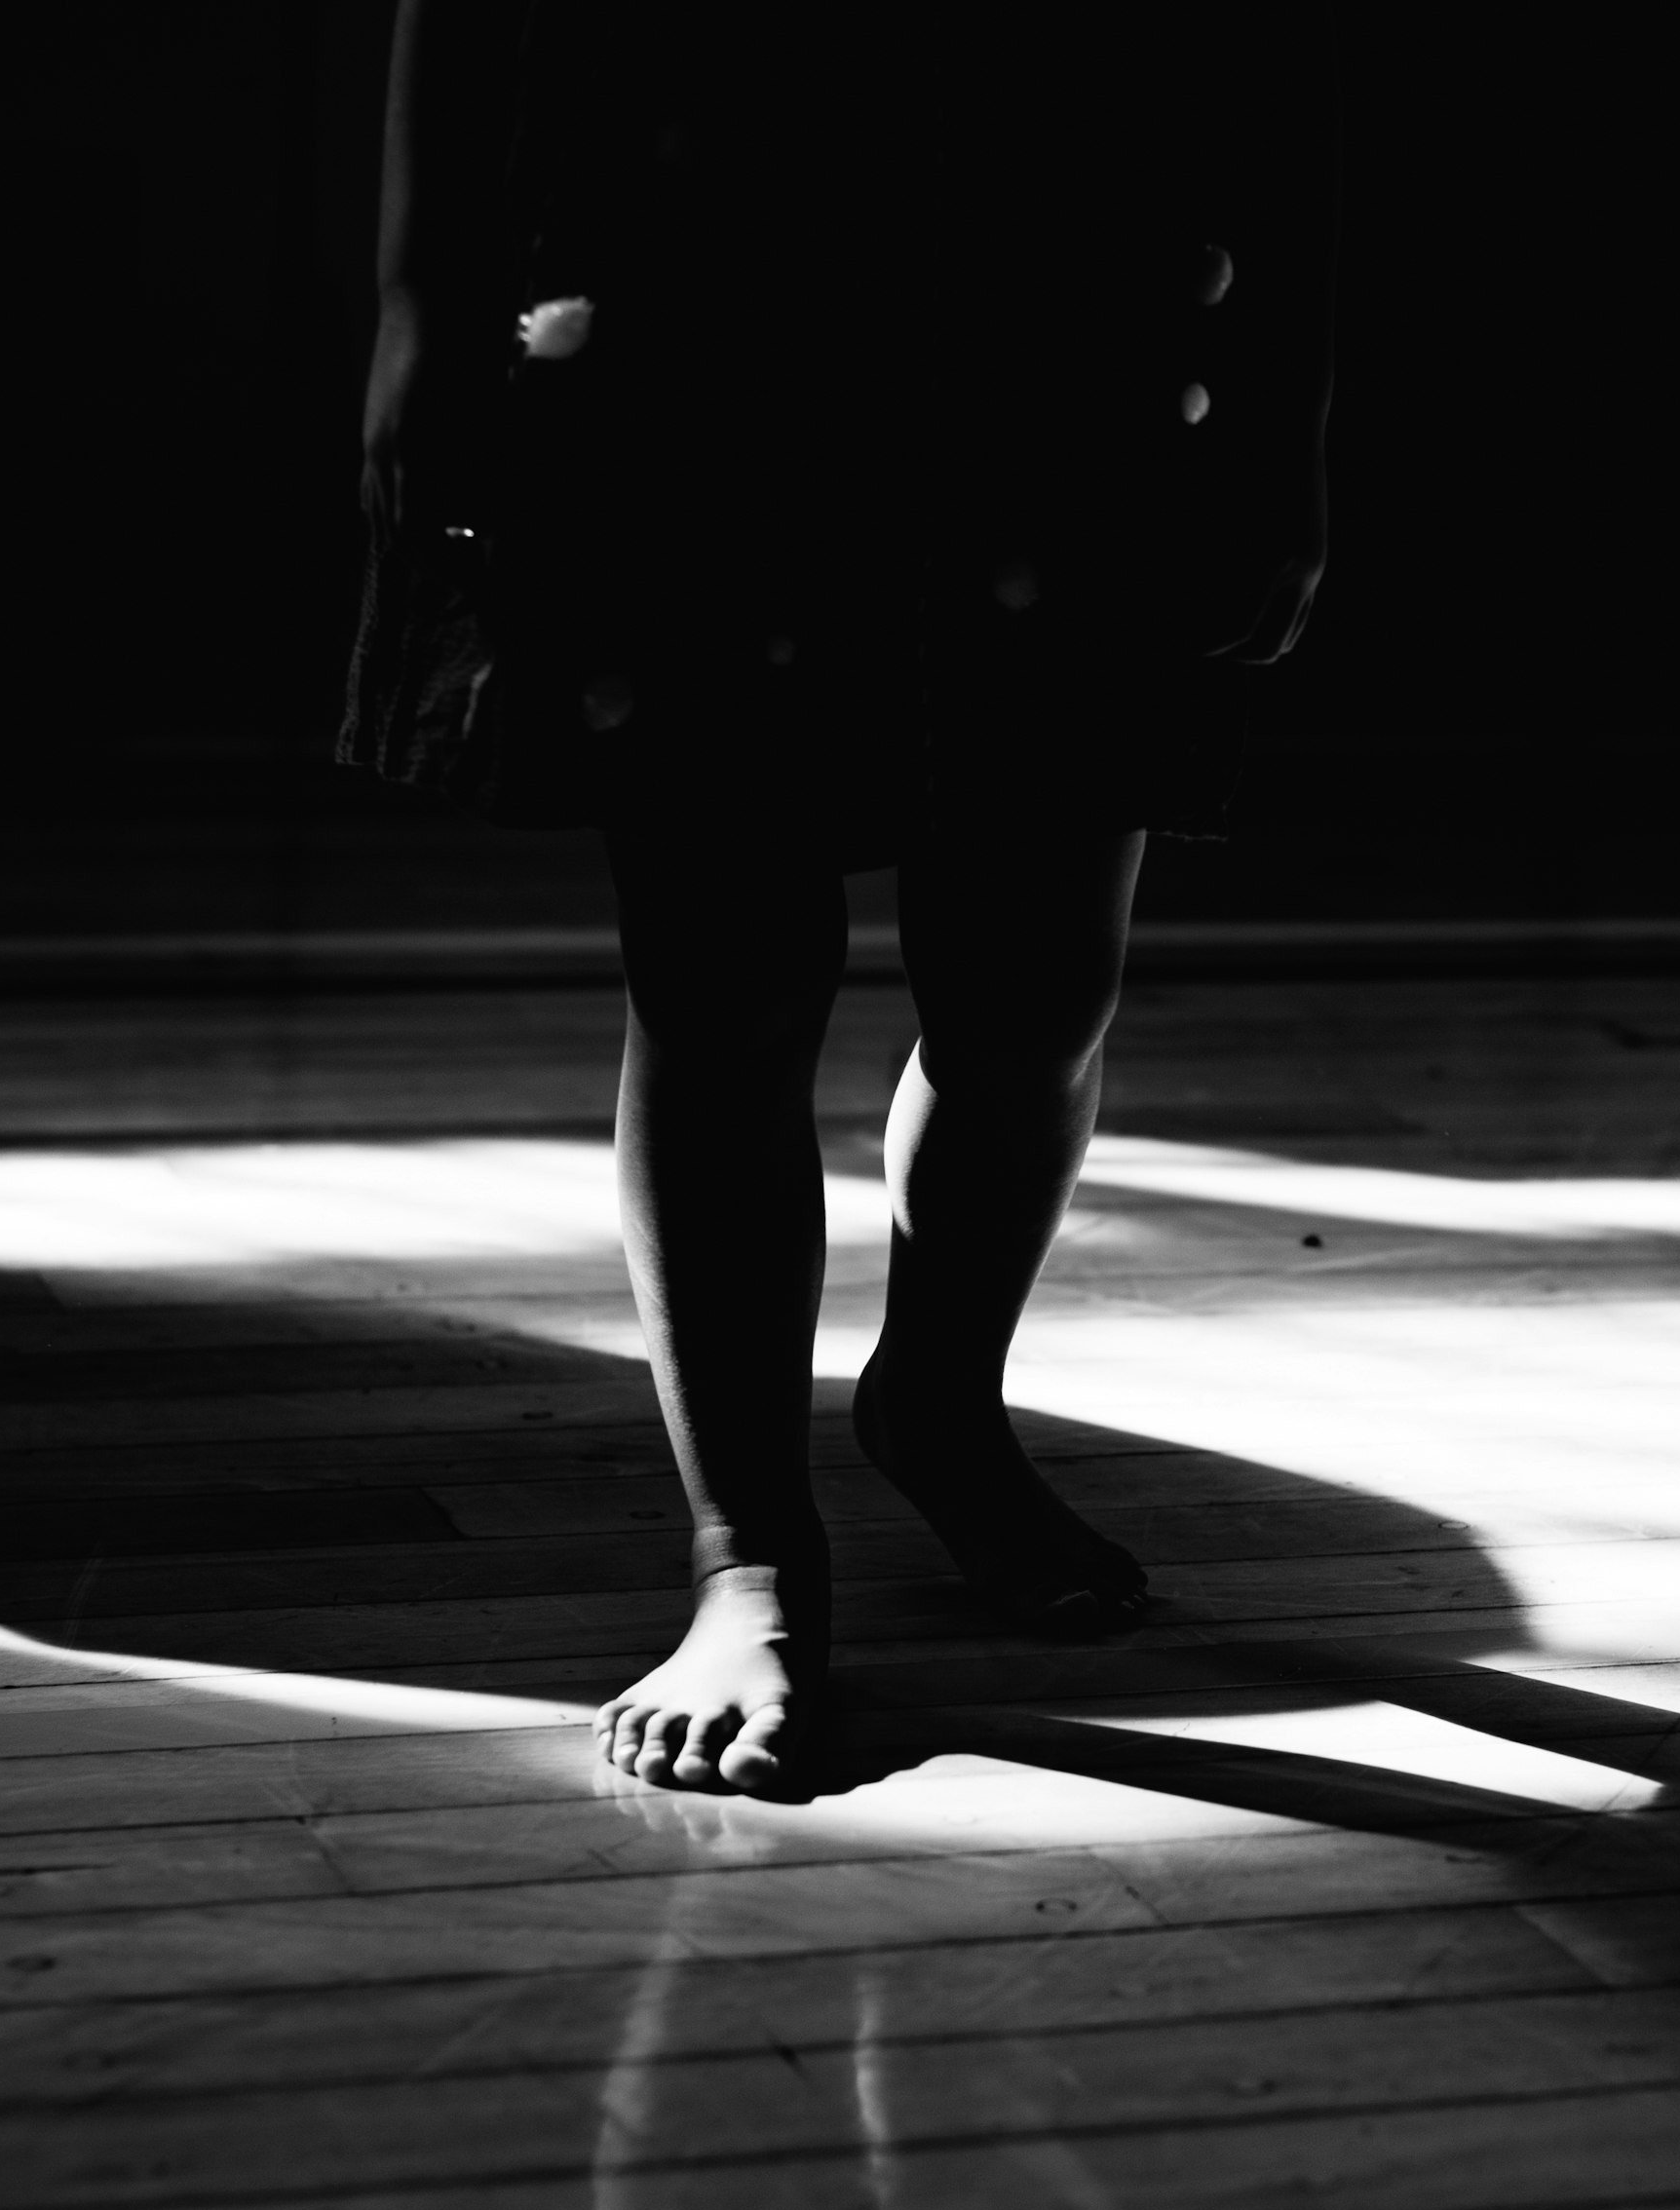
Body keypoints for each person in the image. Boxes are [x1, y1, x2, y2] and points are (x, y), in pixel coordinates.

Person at [344, 4, 1337, 1795]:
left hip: (1074, 321)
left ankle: (938, 1405)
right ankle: (751, 1556)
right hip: (698, 308)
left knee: (1033, 997)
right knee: (724, 984)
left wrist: (1287, 420)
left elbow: (1276, 62)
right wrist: (422, 305)